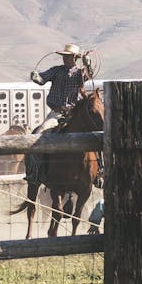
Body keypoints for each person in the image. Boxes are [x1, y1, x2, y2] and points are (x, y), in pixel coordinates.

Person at [26, 43, 88, 183]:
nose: (65, 59)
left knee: (95, 135)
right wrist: (36, 77)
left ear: (75, 57)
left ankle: (99, 171)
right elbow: (42, 80)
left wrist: (87, 64)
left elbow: (88, 75)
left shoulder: (80, 72)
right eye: (64, 56)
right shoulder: (56, 70)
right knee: (39, 134)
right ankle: (36, 171)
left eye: (68, 56)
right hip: (56, 113)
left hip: (75, 114)